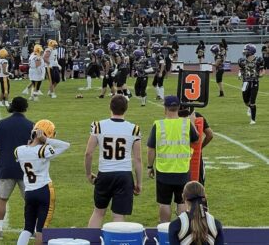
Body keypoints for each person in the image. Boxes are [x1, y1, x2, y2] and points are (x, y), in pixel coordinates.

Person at [84, 95, 142, 228]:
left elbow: (88, 153)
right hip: (124, 175)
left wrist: (88, 174)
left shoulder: (99, 126)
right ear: (126, 109)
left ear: (110, 107)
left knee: (98, 212)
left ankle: (91, 242)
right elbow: (138, 159)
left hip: (105, 173)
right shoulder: (134, 129)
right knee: (118, 215)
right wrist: (139, 182)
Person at [15, 120, 70, 245]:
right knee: (41, 229)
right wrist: (46, 140)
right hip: (44, 190)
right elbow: (65, 145)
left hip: (29, 192)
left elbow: (28, 152)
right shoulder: (44, 150)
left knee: (27, 228)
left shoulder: (19, 150)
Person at [147, 96, 199, 223]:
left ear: (165, 108)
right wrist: (191, 121)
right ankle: (182, 227)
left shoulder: (158, 125)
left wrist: (149, 166)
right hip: (182, 169)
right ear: (179, 107)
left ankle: (164, 228)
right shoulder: (186, 124)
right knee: (181, 201)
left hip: (164, 170)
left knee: (164, 202)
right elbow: (196, 138)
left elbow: (151, 148)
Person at [0, 97, 34, 239]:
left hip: (6, 166)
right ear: (25, 108)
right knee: (30, 201)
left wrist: (6, 146)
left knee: (2, 199)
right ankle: (31, 229)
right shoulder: (31, 125)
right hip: (25, 168)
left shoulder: (2, 123)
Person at [238, 44, 265, 125]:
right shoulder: (242, 60)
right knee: (245, 101)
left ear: (251, 51)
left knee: (252, 101)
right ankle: (249, 107)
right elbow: (241, 70)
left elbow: (262, 70)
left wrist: (261, 74)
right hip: (245, 82)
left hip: (254, 81)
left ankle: (253, 120)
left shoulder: (259, 59)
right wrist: (239, 74)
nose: (245, 52)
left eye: (246, 50)